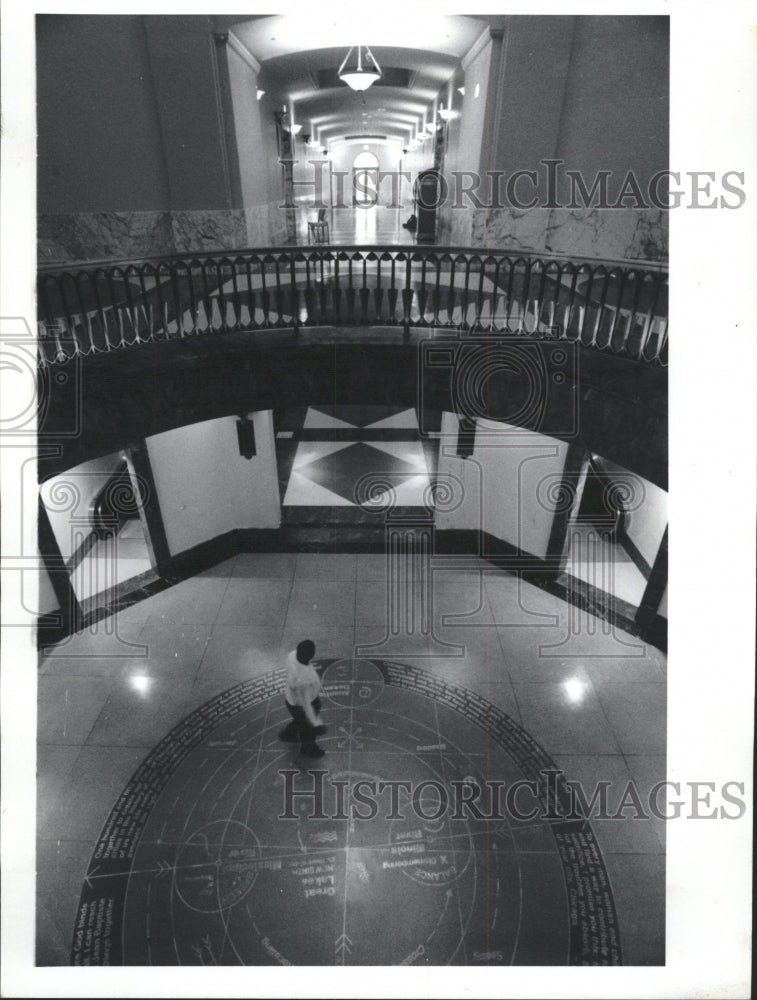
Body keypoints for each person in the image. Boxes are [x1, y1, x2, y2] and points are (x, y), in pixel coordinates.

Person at [278, 639, 326, 758]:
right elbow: (306, 705)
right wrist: (315, 722)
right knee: (308, 729)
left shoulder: (292, 656)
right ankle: (308, 749)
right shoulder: (303, 679)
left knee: (300, 721)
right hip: (303, 703)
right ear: (311, 655)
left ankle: (288, 734)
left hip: (291, 700)